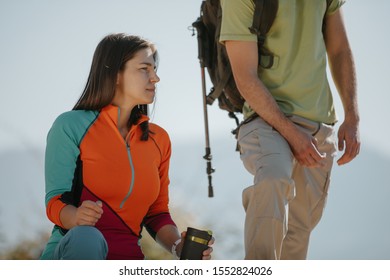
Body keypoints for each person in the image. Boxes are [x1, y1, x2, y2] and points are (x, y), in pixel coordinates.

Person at [40, 33, 213, 260]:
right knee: (87, 238)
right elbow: (55, 201)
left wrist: (179, 247)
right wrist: (76, 217)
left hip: (129, 261)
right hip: (75, 252)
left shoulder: (158, 139)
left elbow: (157, 213)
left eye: (154, 69)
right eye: (145, 69)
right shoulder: (70, 126)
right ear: (115, 73)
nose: (155, 78)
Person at [219, 0, 360, 259]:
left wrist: (352, 116)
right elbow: (245, 76)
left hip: (319, 125)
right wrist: (293, 135)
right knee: (273, 180)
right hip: (266, 119)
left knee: (298, 228)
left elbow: (339, 49)